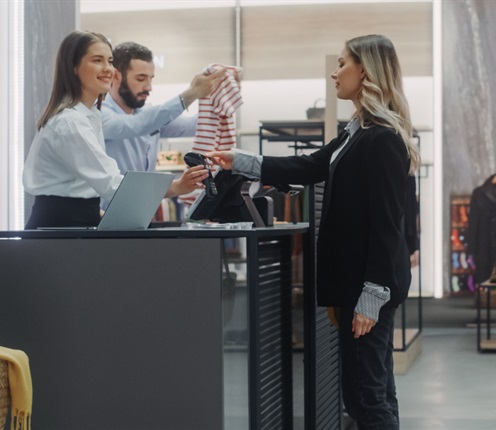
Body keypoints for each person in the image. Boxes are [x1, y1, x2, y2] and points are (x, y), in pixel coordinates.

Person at [208, 34, 417, 429]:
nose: (335, 73)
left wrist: (372, 295)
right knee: (372, 391)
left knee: (365, 398)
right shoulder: (357, 133)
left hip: (366, 290)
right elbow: (308, 167)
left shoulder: (382, 140)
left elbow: (388, 224)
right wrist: (240, 160)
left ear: (366, 71)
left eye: (342, 64)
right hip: (357, 286)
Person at [22, 31, 209, 229]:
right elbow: (113, 185)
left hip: (76, 224)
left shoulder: (89, 116)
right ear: (74, 67)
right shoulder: (71, 123)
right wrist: (175, 187)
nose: (108, 69)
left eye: (109, 61)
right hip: (59, 231)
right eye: (97, 60)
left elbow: (81, 195)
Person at [100, 41, 226, 208]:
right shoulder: (101, 115)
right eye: (140, 78)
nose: (148, 87)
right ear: (116, 75)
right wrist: (192, 93)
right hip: (105, 220)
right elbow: (135, 126)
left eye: (151, 79)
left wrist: (219, 98)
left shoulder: (148, 115)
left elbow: (191, 126)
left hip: (141, 214)